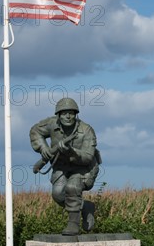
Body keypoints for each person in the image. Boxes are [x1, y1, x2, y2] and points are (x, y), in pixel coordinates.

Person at [30, 98, 101, 235]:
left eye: (71, 113)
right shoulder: (51, 124)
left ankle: (73, 225)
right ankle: (85, 206)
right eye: (64, 113)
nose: (68, 116)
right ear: (58, 115)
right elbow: (35, 131)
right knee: (58, 194)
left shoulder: (87, 130)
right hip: (61, 166)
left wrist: (71, 152)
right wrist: (43, 148)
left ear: (76, 114)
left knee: (72, 188)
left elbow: (87, 157)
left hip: (83, 167)